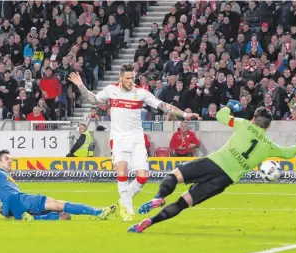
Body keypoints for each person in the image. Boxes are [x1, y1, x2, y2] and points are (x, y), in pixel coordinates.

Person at [128, 100, 296, 233]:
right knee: (184, 202)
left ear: (253, 118)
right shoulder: (269, 145)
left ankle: (159, 196)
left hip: (213, 163)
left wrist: (231, 106)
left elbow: (220, 116)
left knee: (174, 176)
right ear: (268, 126)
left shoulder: (243, 124)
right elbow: (289, 153)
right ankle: (150, 222)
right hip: (224, 180)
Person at [68, 63, 200, 221]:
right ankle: (128, 211)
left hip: (137, 139)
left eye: (133, 78)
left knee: (143, 176)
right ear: (120, 78)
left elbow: (163, 105)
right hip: (119, 138)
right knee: (122, 170)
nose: (131, 81)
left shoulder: (141, 93)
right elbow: (93, 100)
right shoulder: (111, 90)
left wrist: (184, 115)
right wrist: (80, 85)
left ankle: (124, 200)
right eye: (128, 78)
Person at [0, 150, 116, 221]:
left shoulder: (3, 178)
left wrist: (5, 211)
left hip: (14, 207)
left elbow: (0, 203)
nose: (10, 161)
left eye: (10, 158)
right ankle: (98, 212)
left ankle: (31, 218)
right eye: (7, 159)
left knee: (64, 215)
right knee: (58, 204)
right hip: (19, 200)